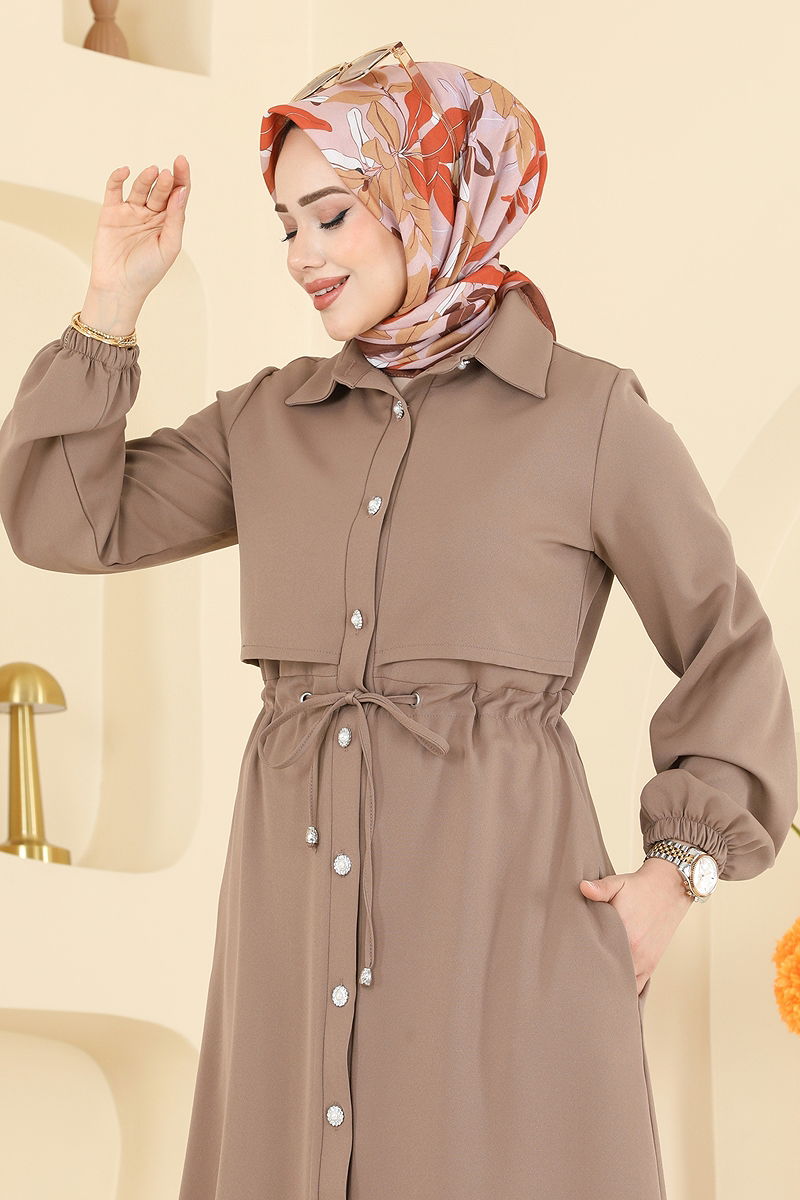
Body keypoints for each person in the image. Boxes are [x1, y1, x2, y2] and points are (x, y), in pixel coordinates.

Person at [0, 41, 796, 1200]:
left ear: (432, 196)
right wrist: (113, 298)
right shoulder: (269, 421)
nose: (301, 256)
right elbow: (63, 520)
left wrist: (675, 874)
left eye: (330, 215)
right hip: (291, 932)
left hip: (502, 935)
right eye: (285, 226)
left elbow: (728, 641)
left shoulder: (585, 414)